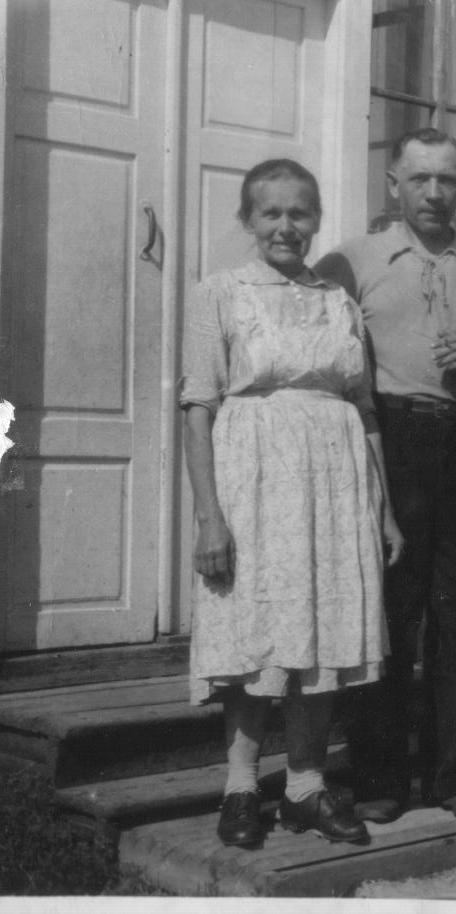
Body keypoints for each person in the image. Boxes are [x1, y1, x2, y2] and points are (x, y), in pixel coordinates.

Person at [315, 127, 456, 826]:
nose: (435, 193)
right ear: (395, 183)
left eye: (447, 180)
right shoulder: (353, 259)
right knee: (389, 606)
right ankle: (379, 775)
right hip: (391, 438)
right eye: (420, 179)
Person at [180, 159, 403, 848]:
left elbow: (365, 409)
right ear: (248, 220)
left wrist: (384, 509)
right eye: (270, 212)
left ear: (316, 220)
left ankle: (305, 787)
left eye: (299, 212)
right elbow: (198, 408)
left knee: (326, 631)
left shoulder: (339, 301)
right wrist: (209, 516)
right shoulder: (220, 293)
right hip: (253, 485)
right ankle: (241, 787)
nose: (286, 226)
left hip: (337, 486)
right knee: (258, 631)